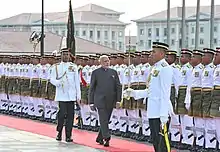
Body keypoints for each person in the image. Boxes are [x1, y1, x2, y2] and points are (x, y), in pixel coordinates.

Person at [88, 55, 122, 147]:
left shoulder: (113, 72)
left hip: (111, 100)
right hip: (100, 100)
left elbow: (118, 87)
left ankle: (99, 137)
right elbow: (92, 88)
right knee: (103, 119)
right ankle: (107, 138)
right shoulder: (96, 73)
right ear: (101, 62)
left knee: (106, 120)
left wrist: (118, 100)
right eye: (105, 61)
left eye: (108, 61)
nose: (107, 63)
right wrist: (91, 102)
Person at [50, 48, 81, 142]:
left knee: (70, 116)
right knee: (61, 115)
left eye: (67, 54)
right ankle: (59, 132)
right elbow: (51, 79)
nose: (66, 56)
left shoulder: (74, 66)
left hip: (71, 95)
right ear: (61, 55)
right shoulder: (56, 67)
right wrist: (58, 82)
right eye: (64, 54)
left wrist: (78, 96)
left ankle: (68, 135)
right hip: (61, 95)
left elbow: (76, 82)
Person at [148, 42, 173, 152]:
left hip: (160, 111)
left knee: (162, 143)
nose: (151, 54)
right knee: (155, 140)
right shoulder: (155, 68)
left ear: (162, 53)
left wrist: (163, 114)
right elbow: (151, 91)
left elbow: (165, 92)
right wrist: (134, 93)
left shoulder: (165, 68)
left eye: (154, 51)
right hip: (153, 110)